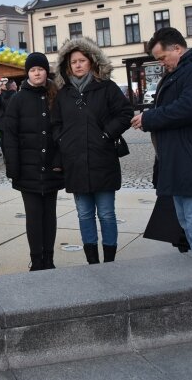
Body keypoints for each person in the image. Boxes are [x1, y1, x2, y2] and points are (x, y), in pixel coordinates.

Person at [131, 27, 192, 251]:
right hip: (182, 163)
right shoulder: (179, 72)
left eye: (162, 58)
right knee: (188, 226)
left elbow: (188, 108)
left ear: (177, 48)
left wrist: (149, 118)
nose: (161, 63)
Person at [52, 38, 133, 264]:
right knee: (84, 214)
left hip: (102, 160)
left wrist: (107, 134)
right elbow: (55, 124)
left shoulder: (106, 87)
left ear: (92, 62)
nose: (78, 65)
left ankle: (109, 260)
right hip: (75, 162)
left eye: (82, 60)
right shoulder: (64, 93)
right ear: (67, 66)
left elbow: (125, 113)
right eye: (73, 62)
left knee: (106, 214)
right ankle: (92, 261)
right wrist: (64, 140)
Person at [4, 53, 64, 271]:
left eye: (40, 69)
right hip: (27, 168)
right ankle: (36, 259)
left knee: (49, 215)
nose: (37, 73)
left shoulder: (57, 95)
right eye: (33, 70)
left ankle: (49, 258)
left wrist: (59, 161)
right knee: (33, 215)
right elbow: (9, 136)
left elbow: (62, 131)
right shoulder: (17, 99)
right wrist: (13, 166)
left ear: (46, 71)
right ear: (27, 73)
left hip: (52, 166)